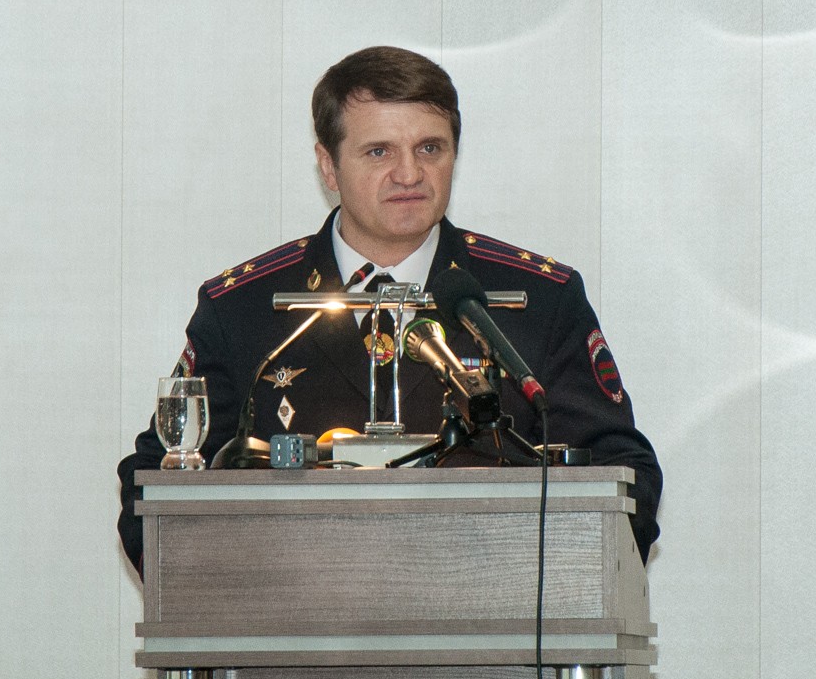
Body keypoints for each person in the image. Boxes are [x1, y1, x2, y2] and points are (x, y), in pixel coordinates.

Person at [118, 46, 662, 574]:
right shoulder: (244, 309)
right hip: (297, 620)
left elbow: (626, 476)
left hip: (491, 617)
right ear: (328, 166)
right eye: (379, 152)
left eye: (430, 148)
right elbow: (155, 484)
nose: (409, 173)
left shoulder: (535, 299)